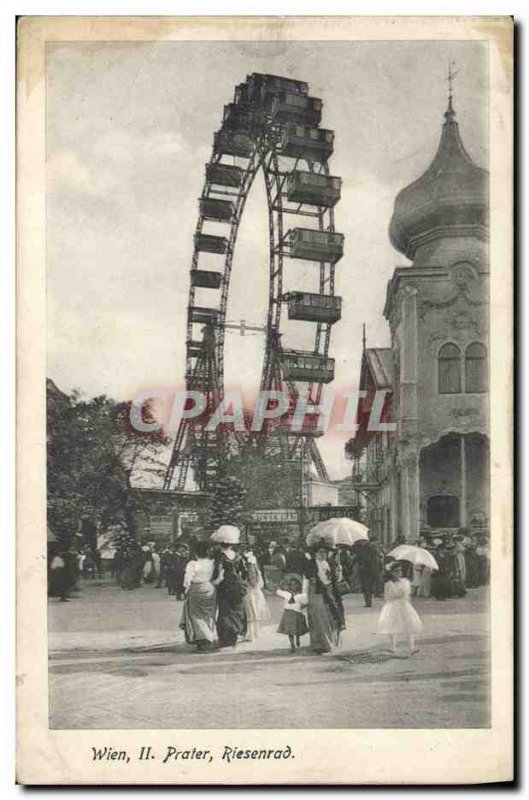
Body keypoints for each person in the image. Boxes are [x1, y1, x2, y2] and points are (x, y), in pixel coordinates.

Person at [303, 545, 344, 654]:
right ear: (315, 553)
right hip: (316, 594)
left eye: (324, 552)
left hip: (329, 594)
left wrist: (338, 572)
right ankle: (319, 644)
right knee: (318, 618)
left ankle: (330, 642)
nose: (322, 554)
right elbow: (306, 581)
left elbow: (335, 580)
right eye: (320, 552)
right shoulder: (311, 564)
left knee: (330, 617)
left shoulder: (329, 564)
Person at [378, 561, 423, 657]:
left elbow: (408, 595)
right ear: (391, 573)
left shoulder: (405, 582)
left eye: (400, 571)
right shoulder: (388, 584)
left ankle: (412, 648)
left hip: (404, 605)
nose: (399, 573)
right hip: (393, 605)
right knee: (392, 625)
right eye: (396, 571)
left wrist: (405, 591)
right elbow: (387, 597)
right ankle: (392, 647)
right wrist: (398, 594)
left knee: (409, 625)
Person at [180, 541, 217, 652]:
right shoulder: (213, 563)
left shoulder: (193, 564)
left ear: (196, 553)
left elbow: (187, 578)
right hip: (210, 588)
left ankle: (202, 639)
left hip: (197, 588)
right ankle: (209, 635)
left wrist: (186, 589)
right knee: (209, 613)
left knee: (196, 614)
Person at [213, 538, 248, 649]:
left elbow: (218, 572)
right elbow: (245, 571)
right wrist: (240, 580)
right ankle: (234, 638)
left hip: (225, 586)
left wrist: (215, 582)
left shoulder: (220, 556)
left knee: (224, 612)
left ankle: (224, 640)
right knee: (237, 612)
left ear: (220, 545)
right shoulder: (238, 556)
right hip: (238, 586)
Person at [242, 549, 271, 641]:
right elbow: (261, 584)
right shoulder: (257, 572)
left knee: (250, 613)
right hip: (257, 593)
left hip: (249, 593)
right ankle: (256, 632)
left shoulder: (247, 573)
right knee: (256, 612)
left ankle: (251, 634)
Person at [276, 575, 309, 652]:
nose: (293, 586)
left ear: (298, 585)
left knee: (297, 630)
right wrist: (280, 585)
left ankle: (297, 638)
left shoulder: (301, 595)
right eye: (291, 584)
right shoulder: (287, 594)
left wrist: (302, 608)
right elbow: (278, 592)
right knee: (290, 631)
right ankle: (292, 645)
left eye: (295, 584)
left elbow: (305, 602)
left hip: (297, 613)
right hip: (288, 613)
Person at [352, 538, 380, 607]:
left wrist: (353, 560)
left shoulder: (360, 548)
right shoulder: (374, 547)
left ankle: (368, 601)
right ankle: (370, 599)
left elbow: (357, 558)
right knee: (370, 585)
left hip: (364, 569)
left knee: (366, 586)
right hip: (373, 569)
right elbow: (377, 557)